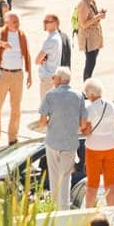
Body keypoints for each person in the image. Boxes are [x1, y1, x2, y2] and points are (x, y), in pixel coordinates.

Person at [33, 66, 83, 210]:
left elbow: (42, 122)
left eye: (54, 77)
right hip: (70, 142)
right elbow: (83, 122)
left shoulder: (50, 95)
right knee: (66, 177)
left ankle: (55, 210)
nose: (52, 79)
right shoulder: (78, 95)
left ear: (59, 79)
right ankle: (65, 209)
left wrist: (52, 123)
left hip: (53, 141)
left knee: (54, 177)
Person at [0, 11, 31, 145]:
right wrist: (1, 44)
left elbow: (27, 54)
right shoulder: (1, 34)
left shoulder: (22, 35)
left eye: (17, 21)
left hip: (18, 74)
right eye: (14, 22)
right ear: (7, 23)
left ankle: (12, 137)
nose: (17, 24)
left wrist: (29, 74)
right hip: (3, 73)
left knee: (16, 108)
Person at [80, 82, 114, 207]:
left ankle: (89, 214)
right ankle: (113, 211)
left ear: (91, 94)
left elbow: (84, 129)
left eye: (86, 93)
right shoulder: (112, 106)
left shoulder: (89, 109)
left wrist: (85, 128)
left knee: (92, 184)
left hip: (94, 147)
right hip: (112, 146)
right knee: (111, 182)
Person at [76, 0, 105, 81]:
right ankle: (86, 85)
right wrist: (97, 17)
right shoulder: (83, 5)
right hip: (89, 38)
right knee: (90, 62)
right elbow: (83, 24)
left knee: (93, 61)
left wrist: (99, 14)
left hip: (95, 36)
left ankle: (88, 83)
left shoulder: (92, 2)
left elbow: (93, 17)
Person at [35, 12, 64, 102]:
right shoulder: (56, 36)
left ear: (55, 23)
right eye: (44, 21)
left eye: (47, 21)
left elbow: (37, 60)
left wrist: (41, 60)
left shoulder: (51, 40)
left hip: (47, 78)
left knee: (45, 107)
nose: (44, 24)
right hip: (52, 76)